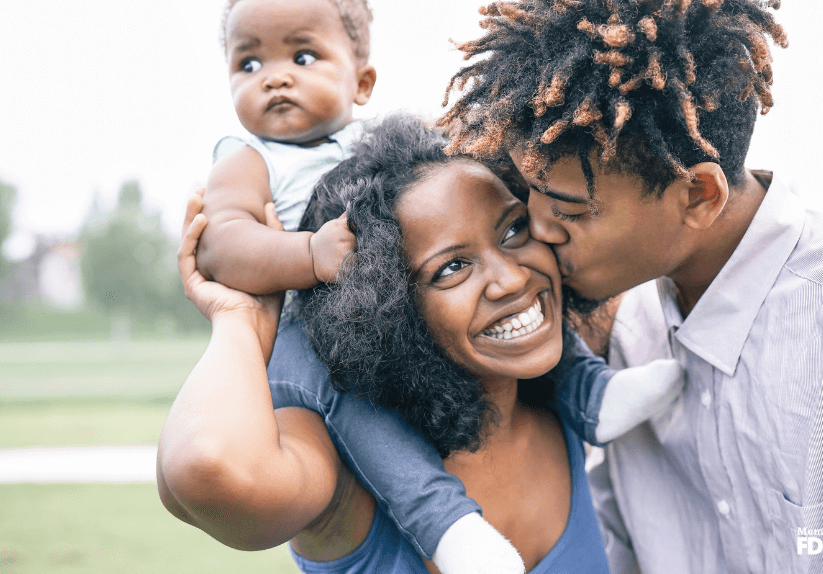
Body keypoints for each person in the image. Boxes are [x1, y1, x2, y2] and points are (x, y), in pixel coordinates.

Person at [438, 0, 823, 572]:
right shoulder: (621, 327)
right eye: (530, 192)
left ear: (698, 197)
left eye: (573, 210)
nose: (539, 231)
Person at [158, 116, 683, 573]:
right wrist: (237, 320)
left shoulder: (554, 391)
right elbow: (209, 466)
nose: (509, 279)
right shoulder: (344, 472)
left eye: (513, 231)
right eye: (452, 268)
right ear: (386, 309)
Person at [191, 0, 518, 570]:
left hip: (399, 311)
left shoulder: (382, 140)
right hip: (307, 331)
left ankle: (592, 395)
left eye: (304, 54)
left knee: (518, 295)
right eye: (248, 64)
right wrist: (308, 254)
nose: (275, 75)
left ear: (362, 82)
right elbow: (221, 245)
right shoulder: (248, 158)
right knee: (351, 397)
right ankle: (448, 528)